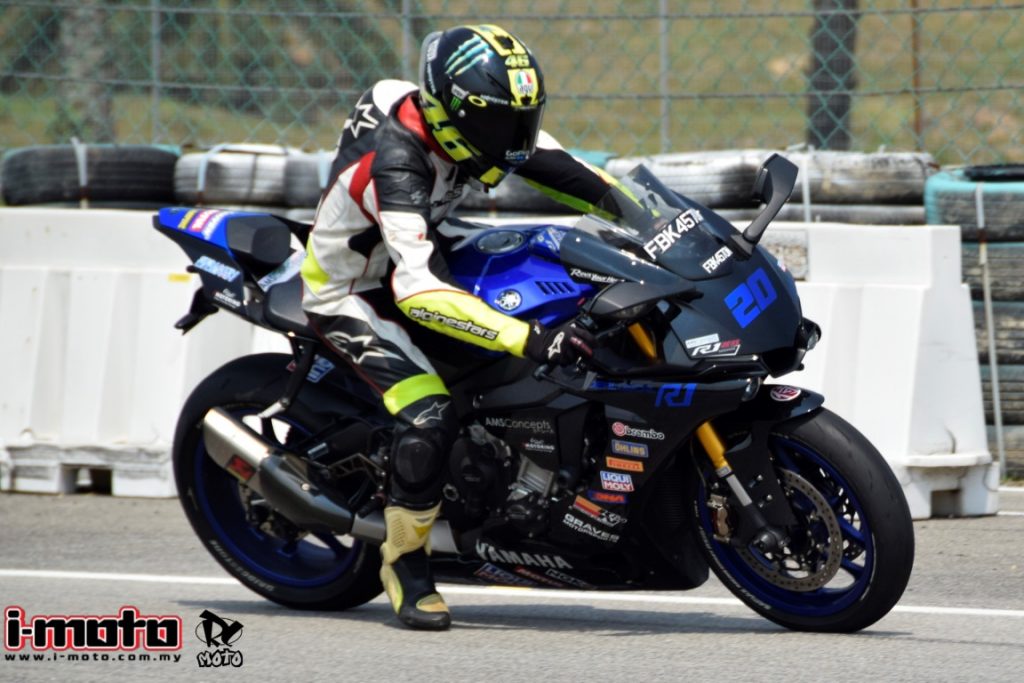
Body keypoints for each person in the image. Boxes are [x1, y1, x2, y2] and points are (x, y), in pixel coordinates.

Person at [299, 24, 617, 630]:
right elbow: (417, 289)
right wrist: (530, 340)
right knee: (430, 415)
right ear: (454, 115)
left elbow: (571, 173)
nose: (514, 140)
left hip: (417, 251)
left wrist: (658, 220)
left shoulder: (462, 124)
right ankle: (405, 562)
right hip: (354, 289)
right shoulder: (399, 166)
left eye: (522, 121)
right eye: (501, 125)